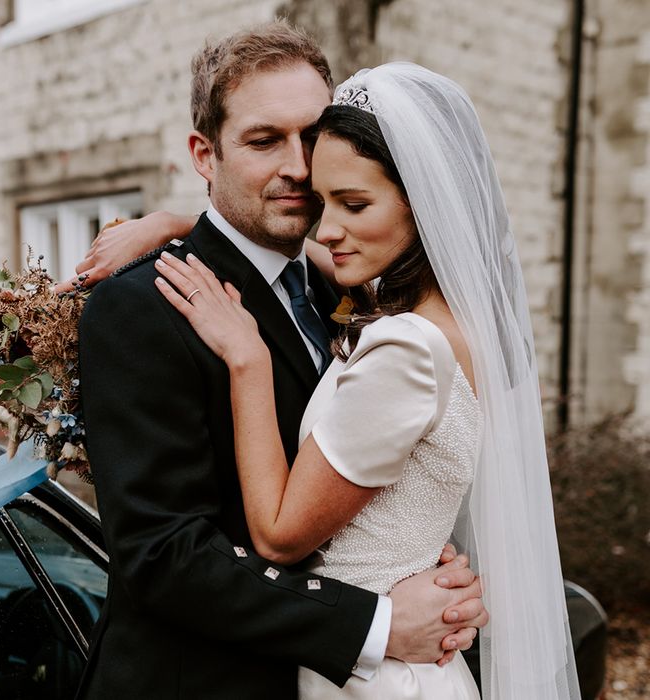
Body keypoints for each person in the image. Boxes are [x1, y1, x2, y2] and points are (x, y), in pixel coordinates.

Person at [76, 23, 486, 700]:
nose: (300, 165)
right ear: (205, 155)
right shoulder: (141, 309)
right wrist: (379, 623)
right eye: (265, 140)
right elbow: (162, 556)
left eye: (313, 134)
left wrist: (429, 572)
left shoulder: (345, 279)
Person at [150, 64, 582, 699]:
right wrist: (175, 225)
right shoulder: (454, 323)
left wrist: (249, 359)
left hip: (376, 675)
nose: (326, 230)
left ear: (426, 203)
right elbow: (299, 249)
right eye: (323, 204)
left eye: (353, 205)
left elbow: (276, 533)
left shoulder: (407, 346)